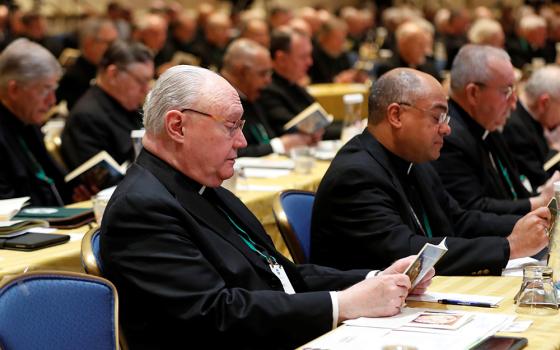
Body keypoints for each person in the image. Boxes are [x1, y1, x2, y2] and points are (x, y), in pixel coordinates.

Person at [99, 65, 433, 350]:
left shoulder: (201, 187)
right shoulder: (142, 208)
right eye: (231, 126)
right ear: (177, 126)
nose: (242, 142)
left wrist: (376, 279)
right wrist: (342, 305)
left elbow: (281, 276)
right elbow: (213, 315)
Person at [311, 67, 549, 276]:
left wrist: (530, 224)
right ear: (396, 115)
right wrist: (509, 247)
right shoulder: (356, 175)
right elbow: (406, 251)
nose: (447, 128)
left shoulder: (414, 160)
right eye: (437, 116)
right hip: (364, 318)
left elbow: (459, 221)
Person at [433, 44, 556, 216]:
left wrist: (542, 196)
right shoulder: (448, 138)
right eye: (506, 92)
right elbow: (472, 211)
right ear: (474, 93)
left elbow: (515, 191)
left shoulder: (488, 125)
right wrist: (539, 202)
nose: (514, 103)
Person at [0, 39, 86, 205]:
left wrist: (74, 195)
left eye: (53, 90)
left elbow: (51, 181)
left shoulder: (28, 121)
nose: (52, 101)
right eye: (45, 90)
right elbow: (7, 212)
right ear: (14, 90)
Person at [61, 40, 153, 169]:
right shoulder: (86, 118)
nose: (146, 89)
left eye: (149, 81)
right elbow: (101, 181)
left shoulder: (129, 105)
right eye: (141, 81)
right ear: (113, 74)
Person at [221, 38, 318, 157]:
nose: (268, 80)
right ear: (242, 72)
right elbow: (230, 153)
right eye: (262, 74)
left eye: (269, 73)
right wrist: (279, 145)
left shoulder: (253, 93)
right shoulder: (216, 101)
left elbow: (266, 136)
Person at [503, 65, 560, 190]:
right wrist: (556, 149)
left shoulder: (529, 117)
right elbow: (540, 182)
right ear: (544, 102)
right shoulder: (515, 128)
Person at [56, 17, 118, 110]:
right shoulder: (73, 77)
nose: (116, 48)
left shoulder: (109, 68)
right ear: (89, 43)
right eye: (109, 43)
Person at [375, 21, 441, 81]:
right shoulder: (388, 69)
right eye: (420, 45)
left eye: (424, 45)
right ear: (403, 44)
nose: (425, 50)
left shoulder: (429, 65)